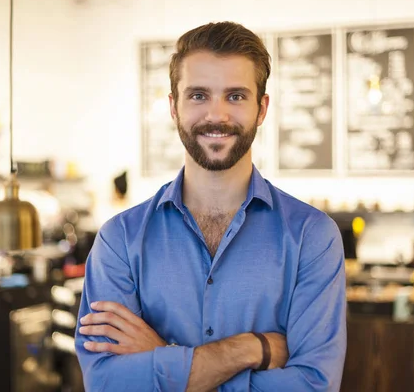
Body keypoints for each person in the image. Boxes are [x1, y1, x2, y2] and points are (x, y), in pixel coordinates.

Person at [75, 21, 347, 391]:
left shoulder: (313, 237)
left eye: (235, 96)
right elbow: (106, 383)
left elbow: (314, 386)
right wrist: (247, 350)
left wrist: (163, 356)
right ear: (174, 107)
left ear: (261, 108)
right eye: (198, 95)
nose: (216, 115)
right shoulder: (119, 240)